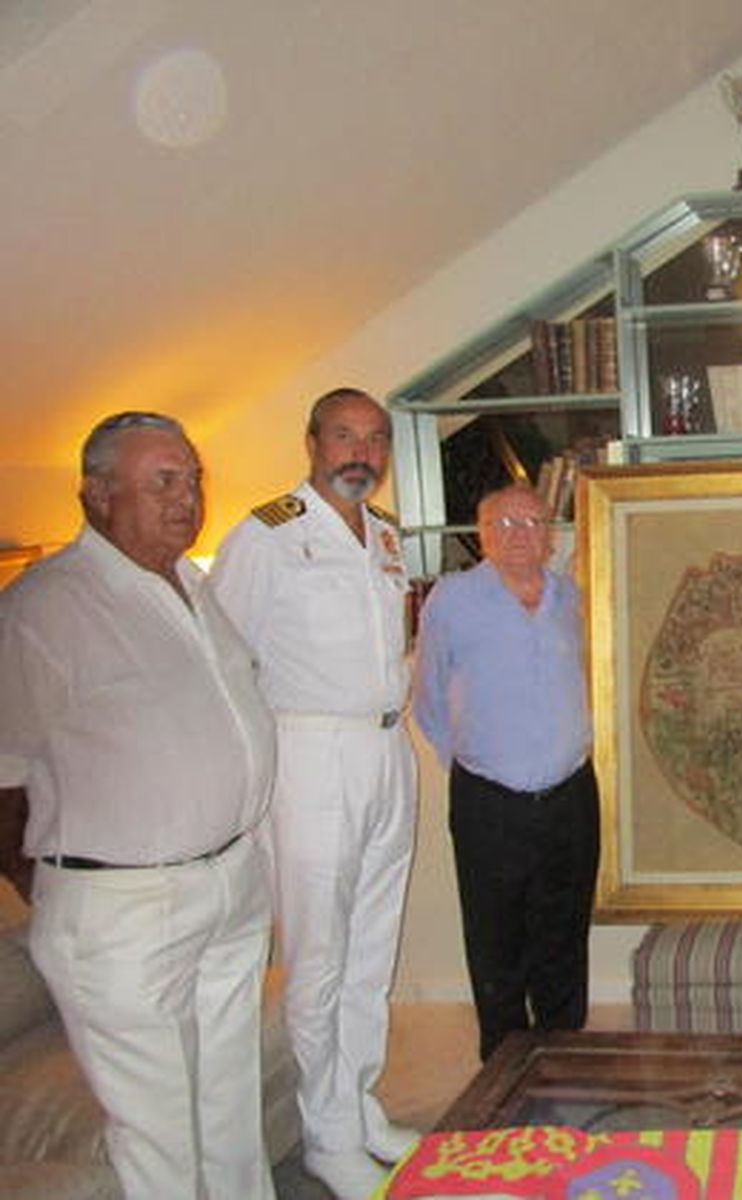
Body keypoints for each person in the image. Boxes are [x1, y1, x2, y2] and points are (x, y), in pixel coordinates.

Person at [0, 412, 278, 1199]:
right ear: (95, 494)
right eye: (163, 480)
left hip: (226, 883)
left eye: (192, 478)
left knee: (228, 1106)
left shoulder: (191, 581)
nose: (186, 497)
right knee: (158, 1134)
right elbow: (2, 773)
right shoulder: (45, 608)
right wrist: (68, 882)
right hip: (122, 905)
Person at [210, 387, 419, 1200]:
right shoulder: (266, 537)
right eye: (343, 436)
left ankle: (356, 1104)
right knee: (320, 957)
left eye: (373, 439)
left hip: (382, 749)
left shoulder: (387, 536)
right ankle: (326, 1135)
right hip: (310, 751)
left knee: (373, 945)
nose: (359, 452)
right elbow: (226, 665)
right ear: (311, 442)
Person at [412, 484, 599, 1061]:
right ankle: (504, 1064)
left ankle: (564, 1055)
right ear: (483, 533)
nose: (522, 534)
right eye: (506, 523)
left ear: (551, 535)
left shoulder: (574, 598)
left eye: (534, 523)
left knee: (564, 932)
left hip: (570, 795)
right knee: (496, 940)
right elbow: (429, 698)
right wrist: (470, 761)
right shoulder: (451, 599)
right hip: (488, 801)